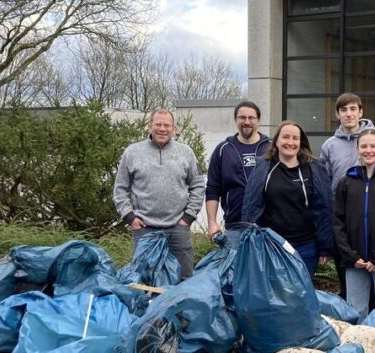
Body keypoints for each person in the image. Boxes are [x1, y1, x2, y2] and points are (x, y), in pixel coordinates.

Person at [320, 92, 375, 297]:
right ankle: (356, 328)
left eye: (353, 109)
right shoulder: (329, 146)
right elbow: (325, 185)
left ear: (361, 111)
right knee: (351, 290)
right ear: (337, 114)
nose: (349, 114)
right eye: (343, 110)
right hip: (346, 226)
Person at [113, 108, 205, 280]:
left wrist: (188, 218)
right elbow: (120, 188)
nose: (162, 129)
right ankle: (149, 307)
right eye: (158, 124)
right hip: (144, 229)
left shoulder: (186, 153)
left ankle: (182, 307)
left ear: (174, 129)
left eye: (167, 125)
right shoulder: (132, 152)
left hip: (178, 228)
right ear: (149, 127)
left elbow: (198, 186)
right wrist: (130, 217)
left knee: (184, 278)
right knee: (144, 280)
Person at [242, 120, 334, 275]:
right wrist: (248, 239)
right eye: (285, 137)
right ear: (276, 141)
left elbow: (324, 208)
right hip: (271, 245)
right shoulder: (263, 167)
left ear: (301, 142)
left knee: (301, 296)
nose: (290, 142)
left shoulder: (315, 168)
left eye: (295, 138)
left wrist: (326, 247)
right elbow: (250, 204)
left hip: (306, 247)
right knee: (275, 295)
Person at [333, 128, 375, 320]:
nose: (368, 150)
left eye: (373, 146)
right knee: (356, 311)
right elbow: (338, 222)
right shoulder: (346, 182)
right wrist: (350, 255)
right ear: (357, 149)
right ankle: (359, 347)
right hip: (354, 260)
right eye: (364, 146)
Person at [205, 101, 271, 241]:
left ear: (258, 121)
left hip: (267, 228)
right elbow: (212, 188)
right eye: (242, 117)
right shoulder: (223, 150)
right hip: (234, 228)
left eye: (251, 117)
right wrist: (212, 223)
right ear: (236, 120)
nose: (247, 121)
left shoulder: (271, 149)